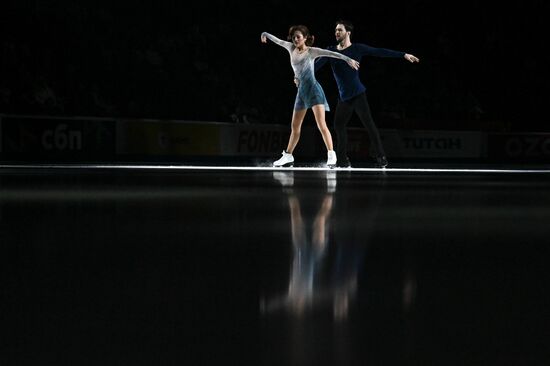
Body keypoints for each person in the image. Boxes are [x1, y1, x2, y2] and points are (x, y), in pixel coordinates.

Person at [314, 20, 420, 168]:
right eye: (336, 30)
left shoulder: (357, 48)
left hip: (358, 94)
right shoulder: (331, 50)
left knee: (369, 125)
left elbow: (379, 51)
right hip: (344, 97)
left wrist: (403, 55)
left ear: (348, 33)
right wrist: (301, 75)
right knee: (338, 126)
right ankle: (343, 160)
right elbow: (316, 65)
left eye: (340, 30)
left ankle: (381, 157)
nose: (336, 32)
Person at [261, 25, 360, 168]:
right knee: (295, 127)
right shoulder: (290, 48)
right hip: (301, 92)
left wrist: (348, 59)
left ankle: (331, 154)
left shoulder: (312, 51)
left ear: (305, 38)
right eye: (294, 37)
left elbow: (331, 53)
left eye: (298, 37)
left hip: (314, 91)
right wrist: (264, 33)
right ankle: (288, 156)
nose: (295, 39)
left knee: (321, 124)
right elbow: (278, 41)